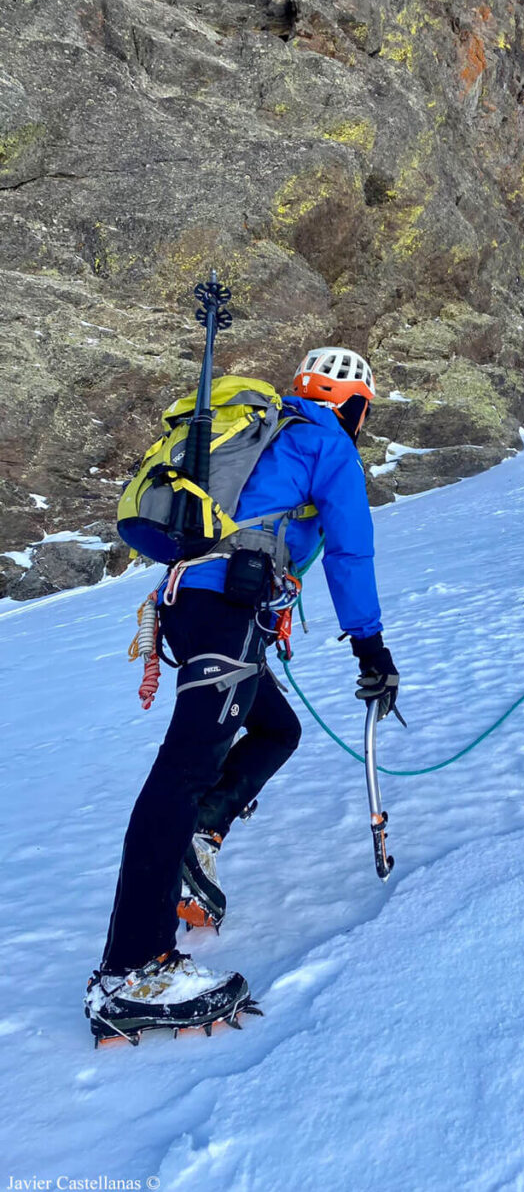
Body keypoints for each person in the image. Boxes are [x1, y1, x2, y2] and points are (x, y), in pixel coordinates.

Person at [85, 346, 400, 1044]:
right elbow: (351, 548)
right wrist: (370, 646)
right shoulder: (325, 443)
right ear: (351, 403)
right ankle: (131, 966)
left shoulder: (264, 430)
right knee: (184, 767)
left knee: (276, 728)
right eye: (363, 411)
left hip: (197, 602)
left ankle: (197, 838)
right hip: (229, 607)